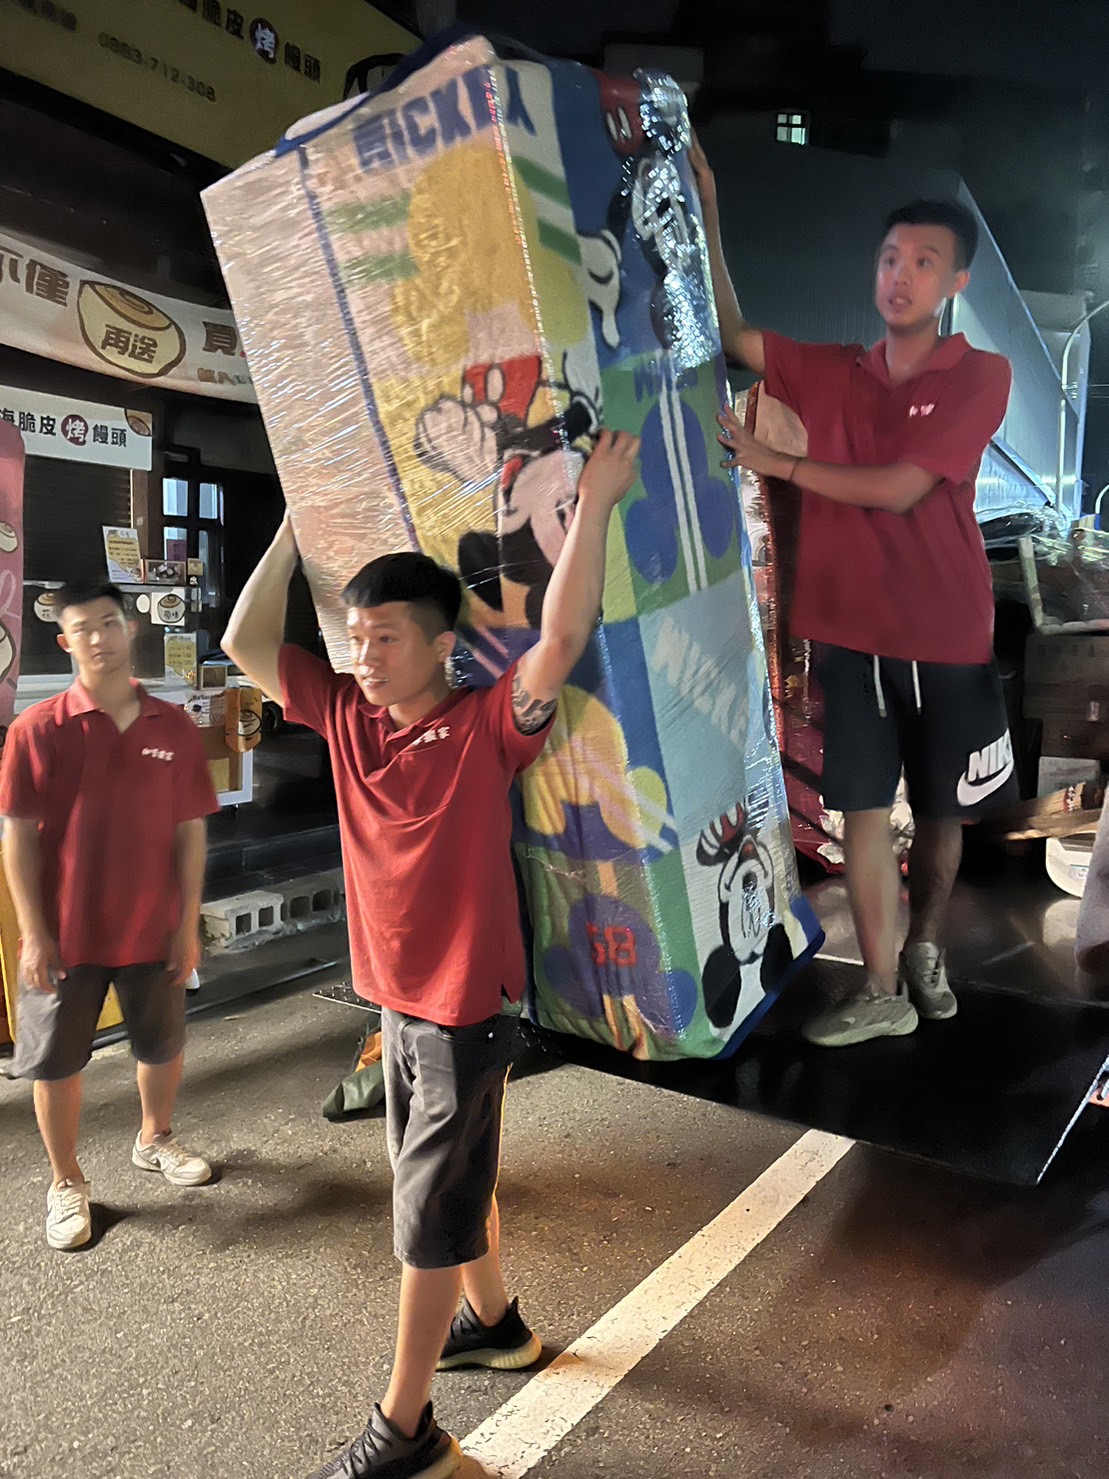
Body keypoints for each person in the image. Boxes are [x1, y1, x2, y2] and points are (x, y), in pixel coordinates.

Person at [222, 428, 640, 1479]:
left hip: (462, 1010)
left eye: (385, 639)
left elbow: (563, 632)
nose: (363, 657)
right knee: (451, 1188)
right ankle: (493, 1325)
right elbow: (241, 638)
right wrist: (292, 525)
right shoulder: (345, 719)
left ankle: (405, 1430)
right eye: (355, 638)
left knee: (425, 1220)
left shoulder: (487, 725)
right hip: (396, 1005)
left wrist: (594, 502)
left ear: (441, 645)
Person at [691, 137, 1014, 1048]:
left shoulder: (980, 375)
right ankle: (880, 990)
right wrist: (706, 206)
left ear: (954, 283)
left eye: (923, 262)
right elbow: (728, 329)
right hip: (847, 632)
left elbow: (904, 486)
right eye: (888, 258)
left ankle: (924, 948)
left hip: (944, 633)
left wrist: (779, 460)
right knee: (862, 811)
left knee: (942, 810)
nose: (899, 276)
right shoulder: (830, 368)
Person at [1, 582, 218, 1250]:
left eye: (108, 622)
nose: (99, 637)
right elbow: (18, 836)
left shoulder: (173, 726)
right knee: (56, 1063)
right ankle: (66, 1181)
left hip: (153, 925)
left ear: (130, 628)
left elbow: (190, 831)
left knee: (162, 1045)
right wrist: (33, 933)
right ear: (65, 642)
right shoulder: (37, 730)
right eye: (83, 628)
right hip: (65, 934)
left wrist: (186, 923)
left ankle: (155, 1138)